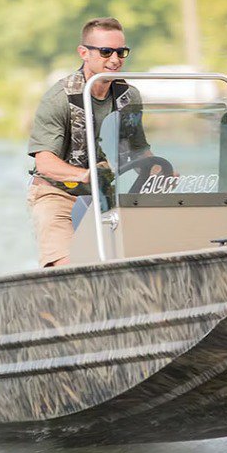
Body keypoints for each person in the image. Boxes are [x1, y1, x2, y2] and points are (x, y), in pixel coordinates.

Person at [26, 17, 149, 267]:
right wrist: (85, 175)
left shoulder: (129, 97)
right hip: (57, 193)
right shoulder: (59, 98)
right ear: (84, 53)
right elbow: (45, 163)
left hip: (105, 196)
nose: (115, 59)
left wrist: (160, 172)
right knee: (70, 267)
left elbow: (139, 152)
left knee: (139, 257)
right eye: (106, 52)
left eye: (121, 52)